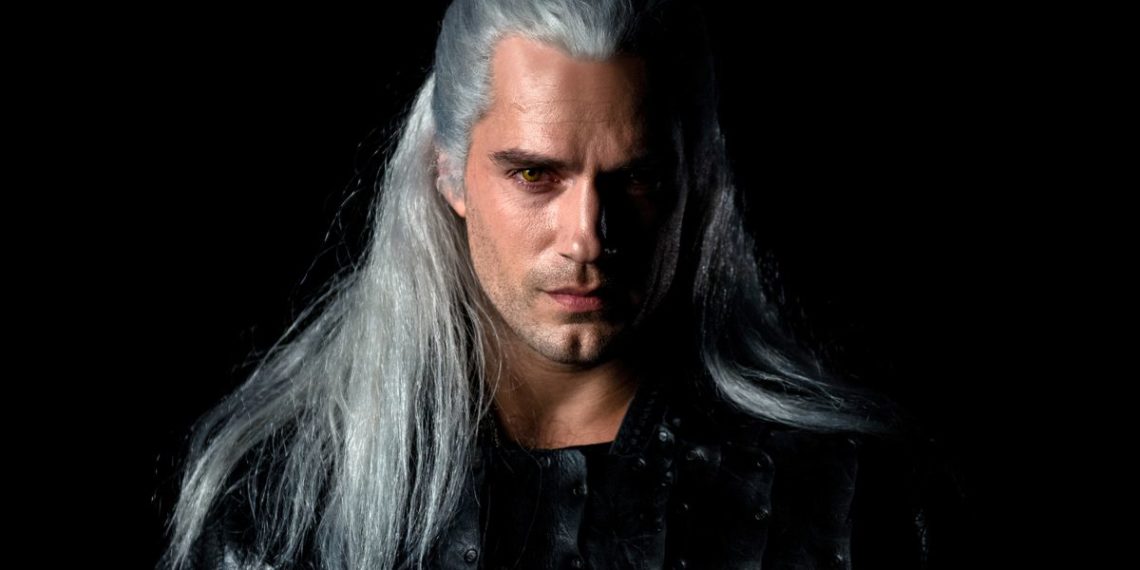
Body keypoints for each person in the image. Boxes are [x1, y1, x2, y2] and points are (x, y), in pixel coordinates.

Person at [161, 1, 963, 568]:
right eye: (535, 174)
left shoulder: (848, 495)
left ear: (690, 182)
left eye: (635, 178)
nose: (587, 236)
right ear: (449, 172)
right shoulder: (283, 500)